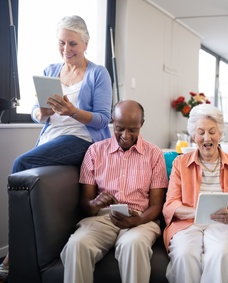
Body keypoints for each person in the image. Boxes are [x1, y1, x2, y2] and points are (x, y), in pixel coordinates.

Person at [0, 15, 112, 281]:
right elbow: (37, 113)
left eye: (72, 43)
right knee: (24, 169)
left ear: (85, 43)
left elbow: (103, 119)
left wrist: (73, 112)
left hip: (83, 139)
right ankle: (23, 249)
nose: (66, 49)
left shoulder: (98, 73)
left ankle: (12, 254)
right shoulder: (51, 69)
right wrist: (40, 113)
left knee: (21, 164)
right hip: (52, 136)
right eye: (61, 43)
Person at [60, 100, 168, 283]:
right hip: (103, 218)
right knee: (77, 245)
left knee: (133, 245)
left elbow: (157, 205)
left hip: (141, 218)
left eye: (132, 129)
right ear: (112, 122)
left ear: (142, 124)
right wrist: (94, 204)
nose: (125, 135)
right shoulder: (94, 152)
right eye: (119, 128)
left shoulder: (154, 154)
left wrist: (138, 220)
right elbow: (85, 202)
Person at [162, 104, 228, 283]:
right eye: (201, 132)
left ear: (220, 134)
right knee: (184, 254)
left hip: (223, 223)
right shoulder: (180, 163)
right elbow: (171, 203)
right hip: (187, 223)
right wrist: (196, 212)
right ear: (193, 136)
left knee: (220, 253)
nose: (207, 138)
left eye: (212, 131)